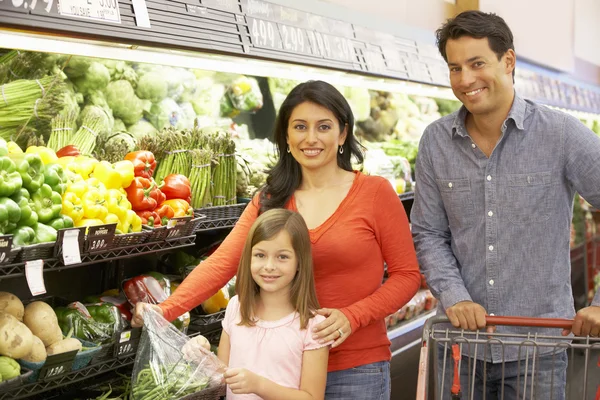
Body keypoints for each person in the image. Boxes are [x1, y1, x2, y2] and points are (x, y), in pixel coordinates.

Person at [133, 80, 422, 399]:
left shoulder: (375, 193)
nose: (311, 138)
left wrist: (352, 316)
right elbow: (223, 263)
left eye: (323, 126)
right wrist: (165, 310)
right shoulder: (270, 199)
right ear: (286, 136)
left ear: (342, 134)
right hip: (276, 375)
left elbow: (407, 276)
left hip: (354, 369)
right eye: (300, 126)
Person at [411, 10, 600, 400]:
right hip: (460, 347)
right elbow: (429, 232)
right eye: (454, 67)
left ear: (508, 61)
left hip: (538, 350)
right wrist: (454, 294)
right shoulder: (435, 142)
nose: (465, 80)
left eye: (476, 63)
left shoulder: (561, 135)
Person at [189, 208, 330, 399]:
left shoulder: (314, 326)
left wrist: (259, 385)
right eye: (260, 255)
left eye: (282, 257)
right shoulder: (236, 307)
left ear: (299, 262)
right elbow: (223, 375)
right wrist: (203, 354)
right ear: (249, 257)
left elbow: (312, 397)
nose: (269, 266)